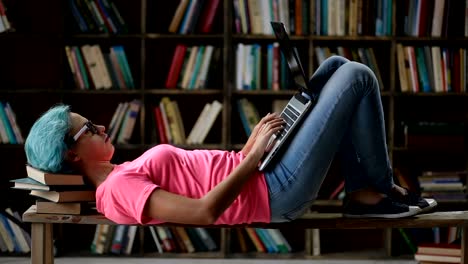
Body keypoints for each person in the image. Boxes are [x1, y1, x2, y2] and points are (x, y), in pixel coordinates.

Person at [24, 56, 436, 226]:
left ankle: (365, 192)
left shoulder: (121, 172)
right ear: (71, 155)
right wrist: (252, 158)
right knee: (357, 77)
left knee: (334, 67)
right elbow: (204, 211)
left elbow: (200, 176)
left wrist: (249, 149)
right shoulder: (116, 189)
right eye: (87, 129)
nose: (100, 126)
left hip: (262, 171)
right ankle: (377, 191)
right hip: (274, 192)